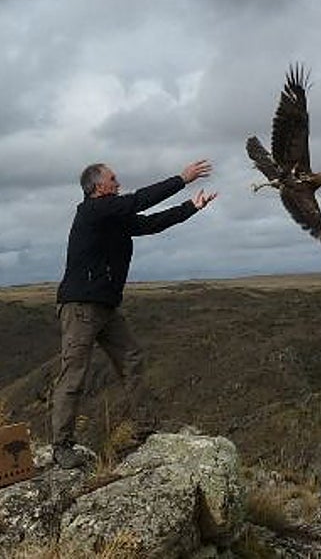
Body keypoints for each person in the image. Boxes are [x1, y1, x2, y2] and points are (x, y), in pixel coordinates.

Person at [51, 159, 217, 469]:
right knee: (73, 376)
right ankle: (61, 446)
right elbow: (140, 200)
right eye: (113, 179)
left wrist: (191, 208)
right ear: (98, 186)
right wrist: (182, 179)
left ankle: (146, 428)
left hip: (106, 307)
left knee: (132, 359)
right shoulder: (93, 211)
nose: (118, 182)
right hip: (81, 308)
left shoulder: (113, 217)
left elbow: (150, 224)